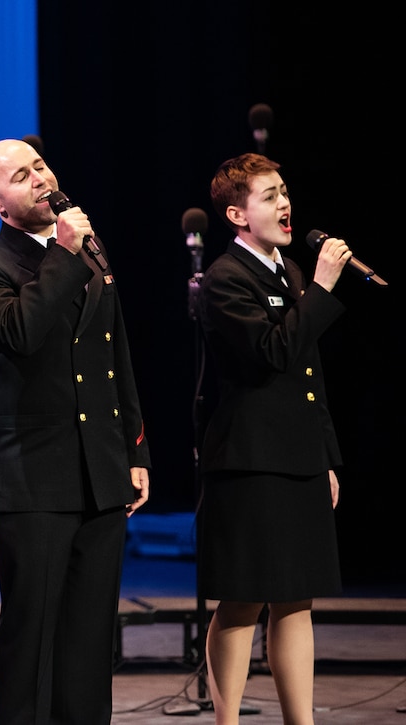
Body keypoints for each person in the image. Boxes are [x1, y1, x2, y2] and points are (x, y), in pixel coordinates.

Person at [0, 138, 151, 724]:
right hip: (33, 473)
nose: (39, 178)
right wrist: (63, 254)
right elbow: (20, 332)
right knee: (31, 632)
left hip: (99, 467)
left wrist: (135, 446)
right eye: (21, 175)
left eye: (40, 166)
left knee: (89, 636)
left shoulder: (89, 249)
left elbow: (116, 355)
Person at [198, 152, 347, 725]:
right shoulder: (225, 279)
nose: (284, 204)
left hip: (298, 455)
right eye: (269, 196)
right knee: (243, 597)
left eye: (284, 191)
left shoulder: (288, 271)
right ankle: (228, 719)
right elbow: (273, 352)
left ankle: (299, 720)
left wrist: (326, 457)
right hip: (250, 460)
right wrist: (325, 288)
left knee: (296, 596)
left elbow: (308, 374)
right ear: (238, 214)